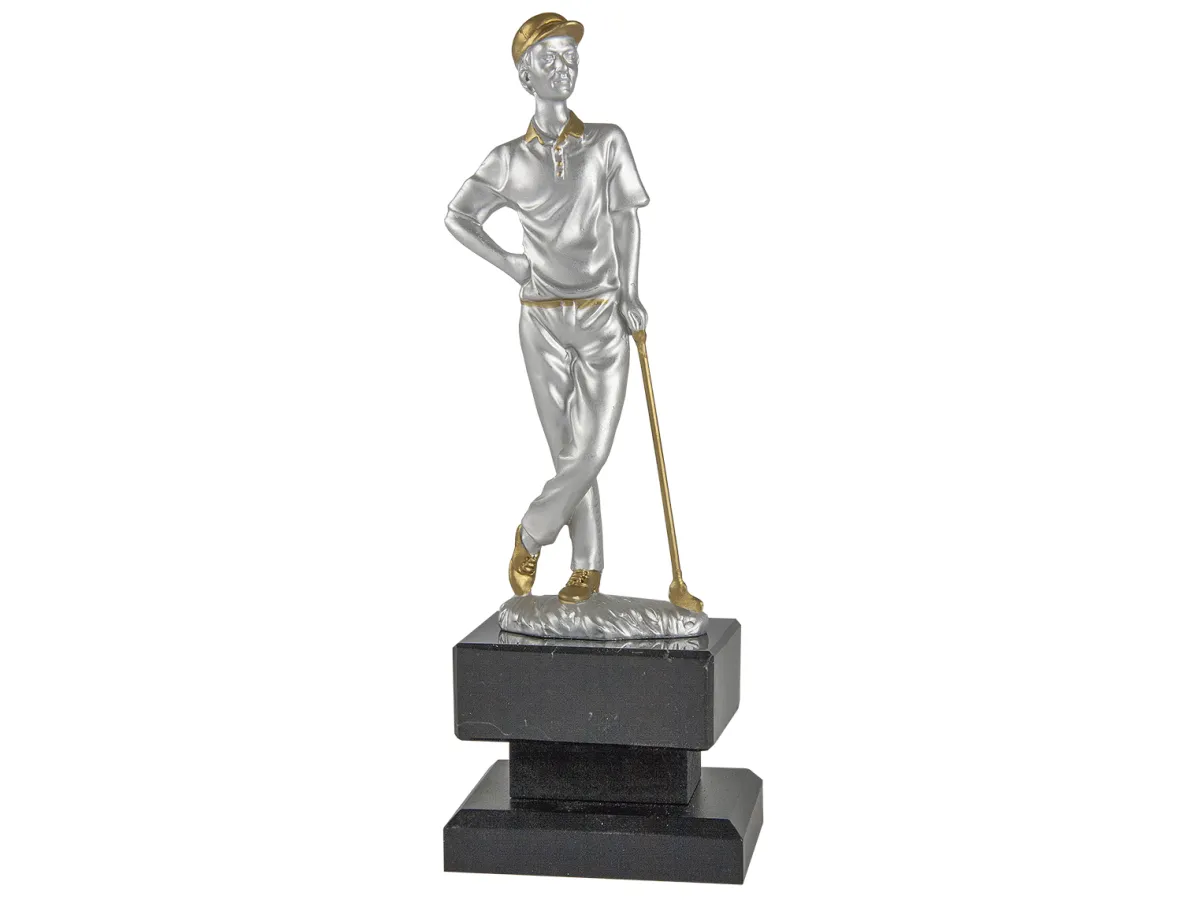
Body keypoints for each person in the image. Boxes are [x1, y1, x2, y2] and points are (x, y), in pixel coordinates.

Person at [445, 12, 651, 604]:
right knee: (567, 451)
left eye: (570, 56)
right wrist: (508, 262)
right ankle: (587, 568)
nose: (564, 66)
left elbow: (625, 220)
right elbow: (458, 216)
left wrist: (631, 292)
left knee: (591, 449)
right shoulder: (509, 159)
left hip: (603, 315)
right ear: (525, 75)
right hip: (541, 320)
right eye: (550, 58)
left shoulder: (607, 141)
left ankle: (531, 532)